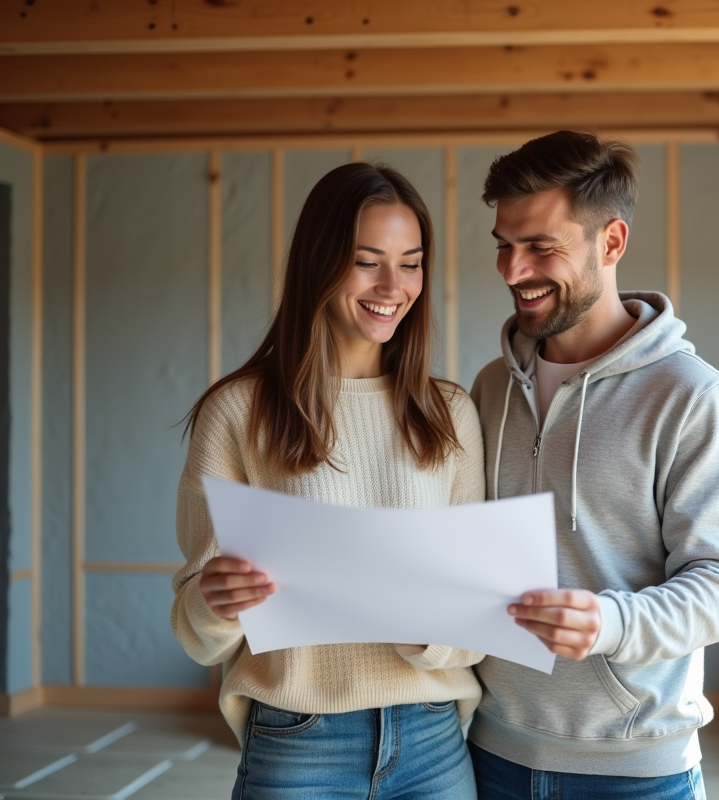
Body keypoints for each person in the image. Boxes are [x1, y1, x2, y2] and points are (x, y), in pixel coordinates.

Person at [171, 163, 484, 799]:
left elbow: (479, 611)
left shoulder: (450, 412)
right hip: (298, 740)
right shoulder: (237, 412)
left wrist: (428, 632)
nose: (393, 286)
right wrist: (217, 601)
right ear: (319, 263)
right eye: (367, 262)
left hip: (432, 739)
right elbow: (198, 633)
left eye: (411, 263)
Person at [468, 131, 719, 799]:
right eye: (504, 246)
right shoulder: (489, 388)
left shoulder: (691, 396)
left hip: (636, 769)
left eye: (541, 247)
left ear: (612, 242)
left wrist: (611, 623)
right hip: (490, 752)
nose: (513, 270)